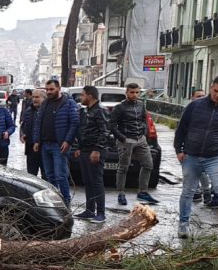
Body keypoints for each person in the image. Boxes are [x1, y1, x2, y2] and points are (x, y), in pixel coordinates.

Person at [174, 75, 218, 238]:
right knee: (188, 191)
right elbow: (182, 128)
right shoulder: (195, 106)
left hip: (215, 157)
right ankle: (183, 224)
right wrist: (179, 149)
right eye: (216, 91)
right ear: (211, 88)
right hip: (191, 156)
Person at [109, 82, 159, 206]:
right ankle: (121, 193)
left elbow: (143, 119)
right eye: (132, 92)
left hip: (140, 139)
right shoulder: (119, 107)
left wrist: (144, 133)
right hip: (126, 140)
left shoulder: (141, 105)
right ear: (126, 93)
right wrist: (122, 138)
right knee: (123, 167)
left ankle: (143, 192)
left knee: (148, 164)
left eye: (137, 92)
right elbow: (111, 125)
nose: (135, 95)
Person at [32, 78, 79, 205]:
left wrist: (67, 141)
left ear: (59, 88)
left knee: (60, 175)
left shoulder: (68, 103)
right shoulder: (45, 103)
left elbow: (74, 123)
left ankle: (66, 202)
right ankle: (54, 203)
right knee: (49, 176)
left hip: (59, 145)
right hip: (45, 145)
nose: (49, 92)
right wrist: (36, 141)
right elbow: (38, 123)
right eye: (47, 89)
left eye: (51, 89)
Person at [73, 86, 110, 224]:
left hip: (95, 151)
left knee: (96, 181)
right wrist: (78, 147)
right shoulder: (86, 111)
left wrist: (97, 150)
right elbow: (82, 130)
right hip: (85, 150)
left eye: (82, 95)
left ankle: (101, 213)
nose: (80, 98)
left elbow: (104, 132)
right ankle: (90, 210)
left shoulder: (101, 110)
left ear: (89, 96)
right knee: (87, 181)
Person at [188, 89, 214, 204]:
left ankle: (206, 191)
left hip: (206, 146)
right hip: (190, 145)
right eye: (198, 96)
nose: (201, 98)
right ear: (192, 97)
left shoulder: (210, 110)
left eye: (203, 96)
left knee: (202, 170)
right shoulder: (189, 110)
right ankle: (196, 191)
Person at [19, 89, 45, 177]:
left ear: (44, 98)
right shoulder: (29, 110)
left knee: (46, 175)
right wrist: (22, 134)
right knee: (31, 175)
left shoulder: (47, 110)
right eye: (33, 97)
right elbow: (24, 125)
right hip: (30, 148)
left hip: (44, 148)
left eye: (37, 97)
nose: (34, 99)